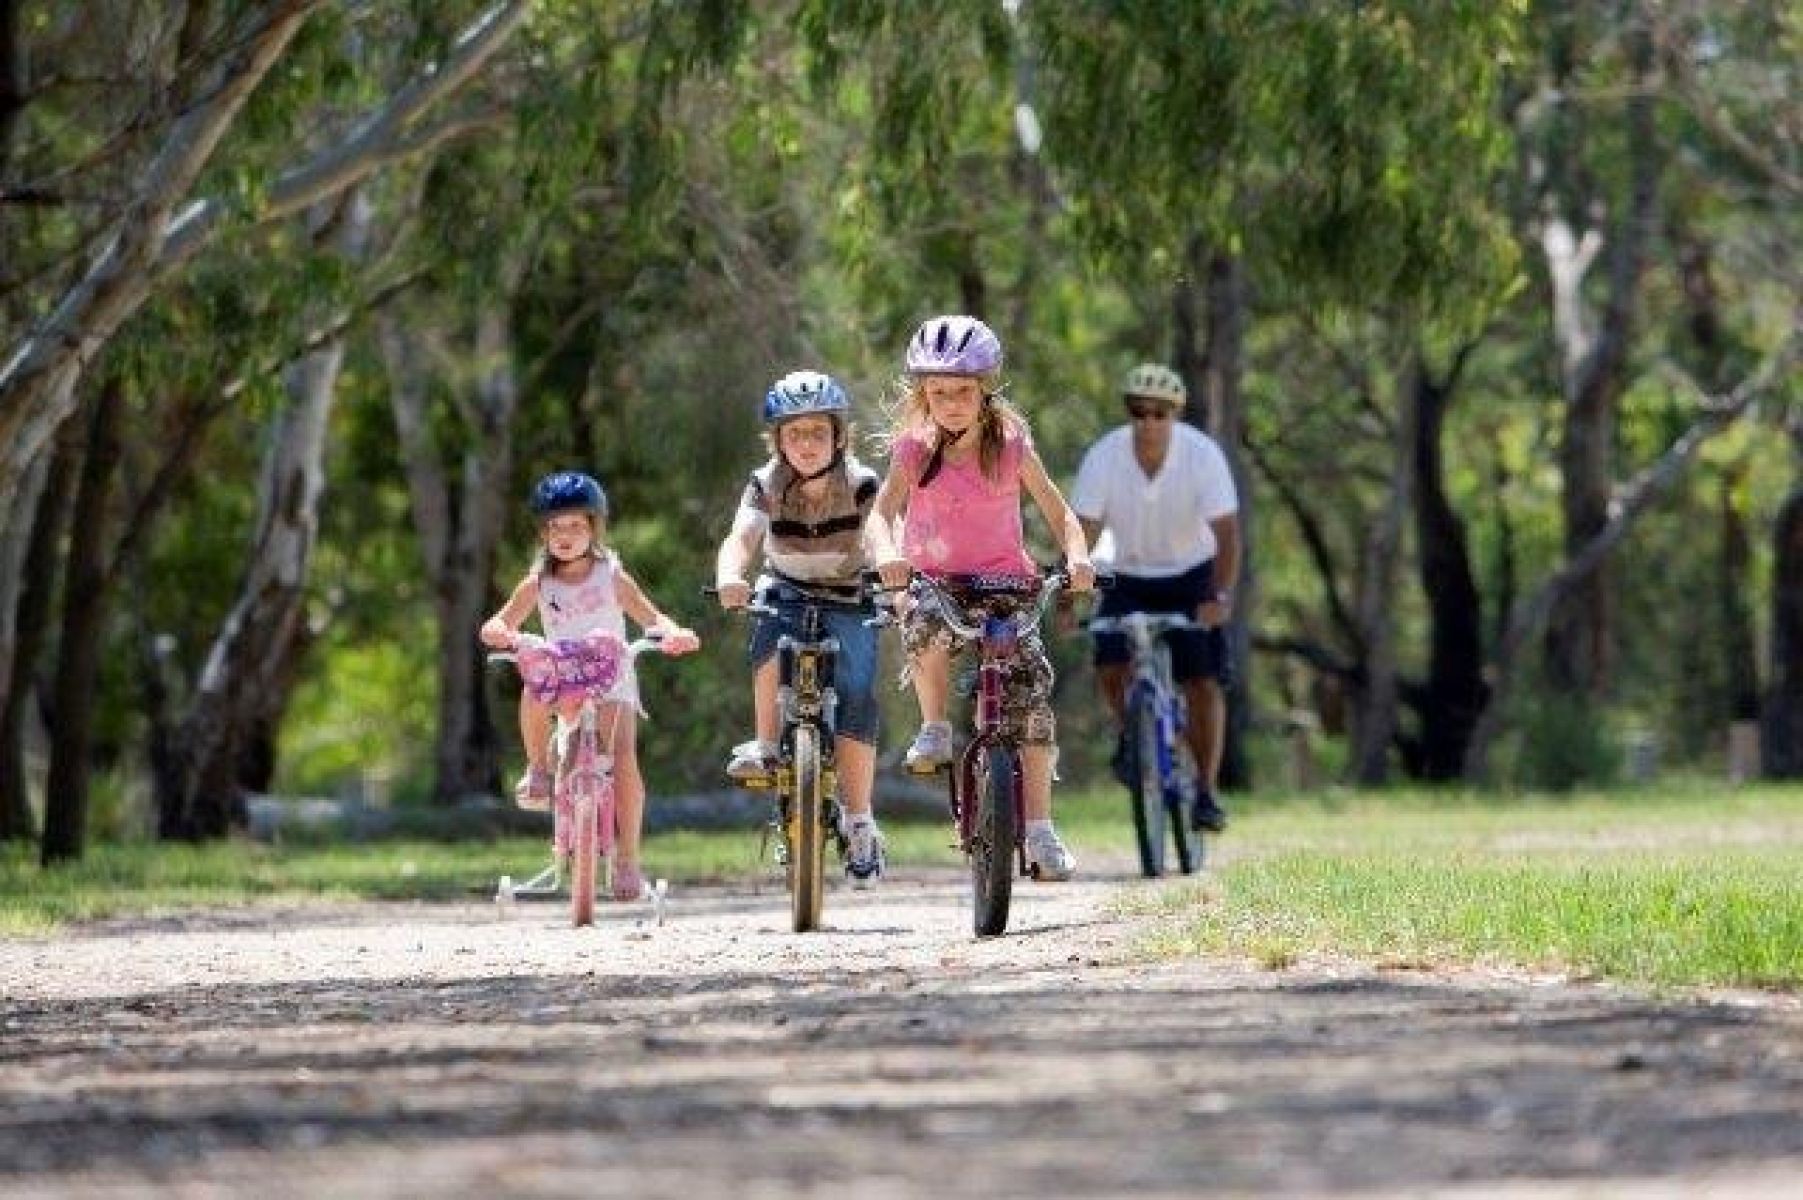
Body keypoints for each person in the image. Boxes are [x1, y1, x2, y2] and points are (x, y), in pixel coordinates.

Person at [865, 314, 1095, 881]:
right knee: (918, 618)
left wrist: (1079, 556)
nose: (951, 404)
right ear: (923, 394)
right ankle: (936, 726)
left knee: (1032, 698)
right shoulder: (914, 450)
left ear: (985, 389)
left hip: (1005, 586)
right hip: (936, 582)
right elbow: (880, 514)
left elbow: (1060, 513)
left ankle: (1040, 831)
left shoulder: (1011, 444)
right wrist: (889, 553)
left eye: (963, 392)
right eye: (938, 393)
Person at [480, 470, 700, 900]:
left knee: (623, 759)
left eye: (575, 525)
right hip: (564, 672)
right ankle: (538, 770)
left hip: (609, 670)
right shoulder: (539, 582)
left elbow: (649, 616)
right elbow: (503, 619)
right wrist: (497, 630)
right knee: (531, 688)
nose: (565, 535)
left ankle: (628, 861)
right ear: (543, 532)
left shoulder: (611, 575)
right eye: (555, 527)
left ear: (594, 528)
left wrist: (672, 632)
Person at [714, 369, 887, 886]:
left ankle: (859, 820)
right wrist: (729, 575)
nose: (807, 444)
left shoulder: (861, 483)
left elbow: (881, 535)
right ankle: (768, 744)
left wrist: (893, 577)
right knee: (767, 625)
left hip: (850, 594)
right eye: (795, 433)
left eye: (818, 432)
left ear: (839, 436)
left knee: (856, 693)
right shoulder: (765, 484)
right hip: (785, 588)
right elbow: (742, 537)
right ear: (778, 440)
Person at [1071, 363, 1239, 832]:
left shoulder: (1202, 455)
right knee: (1108, 655)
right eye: (1139, 412)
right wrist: (1069, 596)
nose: (1148, 422)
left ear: (1175, 416)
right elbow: (1083, 531)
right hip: (1127, 573)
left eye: (1160, 414)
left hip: (1192, 573)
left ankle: (1206, 790)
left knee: (1202, 678)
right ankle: (1135, 733)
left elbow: (1226, 532)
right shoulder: (1105, 456)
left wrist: (1219, 595)